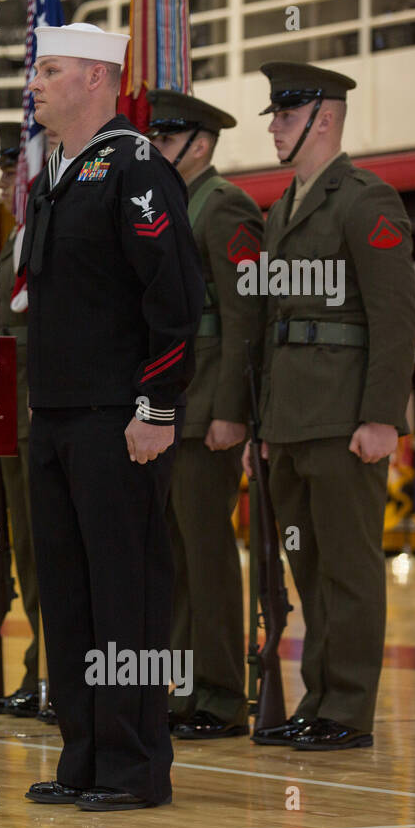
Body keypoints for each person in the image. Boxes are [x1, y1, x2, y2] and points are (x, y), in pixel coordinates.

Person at [19, 24, 204, 810]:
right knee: (66, 596)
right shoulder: (60, 172)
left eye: (50, 69)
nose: (34, 83)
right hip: (56, 419)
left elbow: (175, 301)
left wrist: (156, 409)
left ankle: (134, 766)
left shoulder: (133, 167)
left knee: (125, 598)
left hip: (118, 422)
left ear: (96, 79)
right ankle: (85, 756)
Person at [245, 63, 415, 751]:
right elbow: (267, 321)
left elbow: (395, 315)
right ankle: (317, 697)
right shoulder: (284, 207)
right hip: (289, 416)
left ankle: (347, 706)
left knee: (347, 565)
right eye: (275, 116)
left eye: (286, 115)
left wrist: (382, 416)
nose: (276, 126)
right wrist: (261, 423)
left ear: (324, 118)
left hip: (345, 416)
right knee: (306, 566)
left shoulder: (364, 199)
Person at [146, 89, 266, 739]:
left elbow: (246, 319)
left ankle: (221, 694)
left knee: (208, 551)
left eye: (166, 141)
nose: (157, 151)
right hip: (170, 407)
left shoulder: (226, 208)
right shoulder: (171, 206)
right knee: (176, 554)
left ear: (200, 144)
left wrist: (233, 412)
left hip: (206, 409)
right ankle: (185, 687)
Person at [0, 121, 45, 720]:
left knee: (45, 548)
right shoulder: (12, 242)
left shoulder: (40, 236)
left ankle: (50, 669)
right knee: (21, 549)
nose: (3, 181)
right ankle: (36, 666)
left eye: (10, 170)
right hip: (10, 416)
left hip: (36, 413)